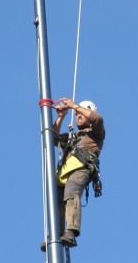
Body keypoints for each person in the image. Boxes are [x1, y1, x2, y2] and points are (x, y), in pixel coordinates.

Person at [42, 97, 105, 251]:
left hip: (81, 168)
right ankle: (56, 235)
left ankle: (71, 231)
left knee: (71, 192)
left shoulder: (96, 133)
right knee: (57, 202)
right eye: (76, 114)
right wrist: (61, 116)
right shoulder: (73, 137)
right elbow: (52, 138)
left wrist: (75, 106)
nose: (78, 115)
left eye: (81, 113)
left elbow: (97, 119)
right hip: (64, 173)